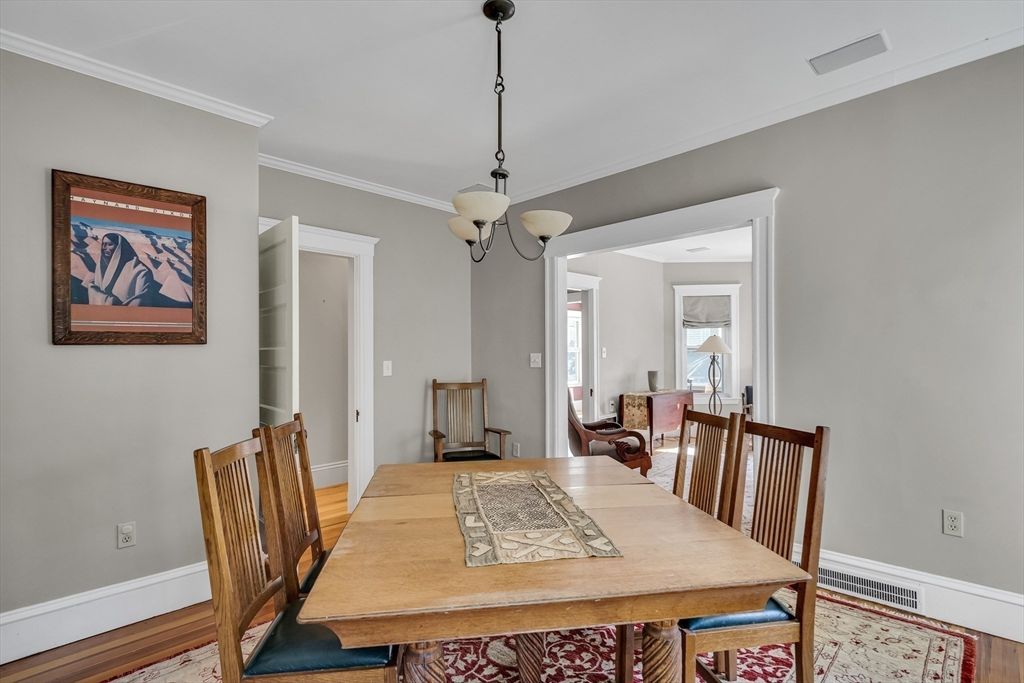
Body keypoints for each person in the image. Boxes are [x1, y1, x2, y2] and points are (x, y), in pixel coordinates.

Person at [86, 232, 157, 306]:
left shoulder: (140, 271)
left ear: (119, 247)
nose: (104, 247)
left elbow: (141, 301)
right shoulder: (101, 266)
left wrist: (112, 303)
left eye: (110, 244)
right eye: (103, 244)